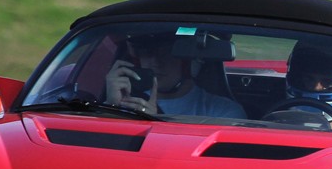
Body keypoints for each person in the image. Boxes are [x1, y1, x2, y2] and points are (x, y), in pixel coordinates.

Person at [104, 31, 245, 119]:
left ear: (189, 62)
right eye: (147, 53)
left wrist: (155, 123)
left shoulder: (222, 112)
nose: (155, 62)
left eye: (167, 54)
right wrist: (110, 108)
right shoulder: (122, 104)